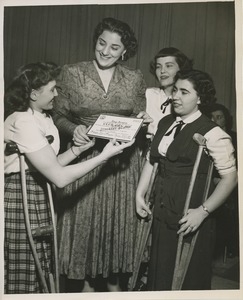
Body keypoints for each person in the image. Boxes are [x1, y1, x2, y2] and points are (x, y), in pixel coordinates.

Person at [4, 62, 134, 294]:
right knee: (23, 265)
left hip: (39, 190)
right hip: (19, 195)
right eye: (52, 89)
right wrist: (103, 157)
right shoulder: (22, 121)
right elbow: (60, 178)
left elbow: (49, 165)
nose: (57, 94)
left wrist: (76, 150)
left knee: (41, 267)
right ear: (34, 94)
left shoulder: (41, 116)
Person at [52, 17, 151, 292]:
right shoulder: (72, 72)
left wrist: (142, 119)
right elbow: (58, 114)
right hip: (85, 161)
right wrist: (74, 129)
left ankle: (113, 289)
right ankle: (82, 289)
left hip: (121, 165)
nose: (105, 51)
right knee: (83, 231)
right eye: (101, 42)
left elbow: (137, 116)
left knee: (115, 233)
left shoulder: (135, 77)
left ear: (124, 51)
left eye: (114, 47)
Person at [136, 69, 237, 290]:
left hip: (190, 213)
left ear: (200, 98)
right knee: (161, 270)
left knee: (187, 276)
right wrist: (139, 194)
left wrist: (203, 211)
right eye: (175, 91)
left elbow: (230, 178)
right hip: (163, 208)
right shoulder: (165, 123)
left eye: (184, 92)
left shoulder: (213, 133)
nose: (175, 97)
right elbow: (152, 161)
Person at [206, 103, 239, 259]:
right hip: (212, 182)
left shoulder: (237, 139)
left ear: (226, 119)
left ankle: (232, 244)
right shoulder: (205, 138)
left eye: (219, 117)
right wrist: (214, 179)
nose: (215, 120)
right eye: (212, 117)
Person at [146, 47, 193, 139]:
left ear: (181, 69)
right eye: (158, 66)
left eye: (169, 66)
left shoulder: (188, 100)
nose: (162, 71)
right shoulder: (148, 94)